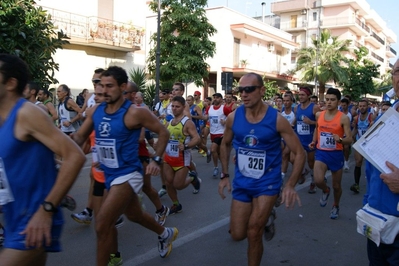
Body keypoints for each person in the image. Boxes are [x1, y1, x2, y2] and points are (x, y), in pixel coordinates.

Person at [71, 66, 178, 265]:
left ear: (122, 87)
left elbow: (163, 132)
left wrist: (155, 159)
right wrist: (53, 145)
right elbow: (78, 137)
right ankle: (165, 233)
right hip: (108, 174)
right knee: (134, 215)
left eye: (109, 86)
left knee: (102, 224)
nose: (103, 90)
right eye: (101, 85)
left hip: (129, 173)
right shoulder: (95, 111)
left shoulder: (135, 113)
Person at [0, 54, 86, 265]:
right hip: (15, 219)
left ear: (10, 83)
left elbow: (75, 156)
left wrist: (47, 209)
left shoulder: (26, 114)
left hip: (34, 219)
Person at [218, 73, 305, 266]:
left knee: (253, 232)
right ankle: (267, 218)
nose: (244, 94)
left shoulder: (277, 120)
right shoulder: (233, 118)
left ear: (262, 90)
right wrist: (224, 175)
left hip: (268, 183)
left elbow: (299, 153)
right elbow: (225, 144)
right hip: (242, 182)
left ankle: (262, 220)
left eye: (249, 89)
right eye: (241, 90)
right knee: (237, 234)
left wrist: (290, 185)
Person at [361, 58, 399, 265]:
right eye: (397, 71)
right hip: (376, 223)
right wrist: (368, 202)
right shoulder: (384, 118)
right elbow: (371, 168)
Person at [308, 88, 352, 219]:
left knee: (337, 186)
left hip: (336, 154)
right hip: (321, 152)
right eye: (327, 99)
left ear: (338, 101)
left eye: (332, 100)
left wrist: (341, 140)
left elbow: (350, 139)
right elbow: (317, 129)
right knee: (318, 180)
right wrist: (313, 141)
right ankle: (326, 190)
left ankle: (335, 205)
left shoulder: (343, 118)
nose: (329, 102)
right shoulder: (319, 115)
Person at [72, 68, 105, 225]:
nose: (95, 84)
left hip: (106, 140)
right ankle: (90, 211)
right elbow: (82, 112)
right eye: (93, 81)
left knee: (134, 212)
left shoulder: (114, 101)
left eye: (97, 81)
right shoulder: (91, 96)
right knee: (94, 176)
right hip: (92, 136)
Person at [163, 96, 201, 214]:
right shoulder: (169, 122)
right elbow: (164, 136)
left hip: (182, 159)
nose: (174, 109)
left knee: (178, 185)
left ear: (183, 107)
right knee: (168, 182)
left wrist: (186, 146)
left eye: (177, 106)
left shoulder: (187, 123)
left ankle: (193, 178)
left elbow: (197, 138)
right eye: (173, 106)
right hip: (168, 157)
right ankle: (176, 204)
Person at [294, 86, 321, 193]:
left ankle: (313, 181)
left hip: (310, 139)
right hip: (299, 138)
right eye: (299, 95)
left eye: (302, 95)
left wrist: (311, 122)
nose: (300, 97)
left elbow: (321, 124)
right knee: (294, 158)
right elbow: (297, 120)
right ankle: (302, 172)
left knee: (311, 161)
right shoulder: (297, 108)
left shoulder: (315, 108)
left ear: (308, 96)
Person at [206, 92, 232, 178]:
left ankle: (216, 168)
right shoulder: (209, 108)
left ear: (221, 99)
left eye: (217, 98)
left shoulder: (224, 108)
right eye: (214, 97)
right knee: (218, 153)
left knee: (213, 149)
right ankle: (224, 168)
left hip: (221, 133)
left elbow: (231, 118)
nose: (215, 99)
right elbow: (206, 117)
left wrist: (226, 122)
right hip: (212, 133)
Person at [351, 99, 374, 193]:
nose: (362, 107)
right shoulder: (356, 118)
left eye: (364, 106)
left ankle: (372, 186)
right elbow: (355, 129)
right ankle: (356, 184)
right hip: (360, 142)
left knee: (370, 165)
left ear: (367, 107)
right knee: (358, 162)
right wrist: (350, 137)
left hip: (370, 144)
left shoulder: (371, 117)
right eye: (360, 106)